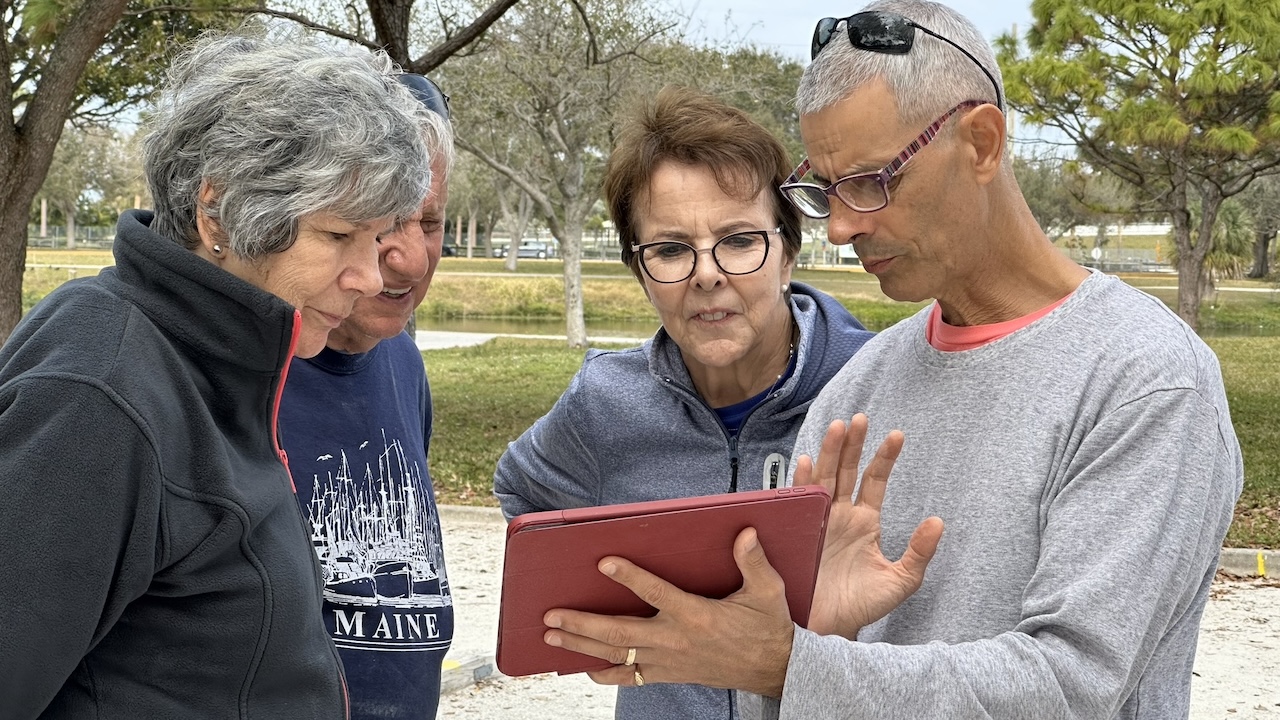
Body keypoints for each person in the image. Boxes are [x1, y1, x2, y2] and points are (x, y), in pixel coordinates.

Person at [534, 2, 1244, 719]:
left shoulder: (1146, 381)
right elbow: (792, 691)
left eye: (872, 181)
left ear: (982, 142)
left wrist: (796, 663)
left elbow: (1073, 686)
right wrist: (815, 637)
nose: (842, 227)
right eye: (828, 190)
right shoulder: (856, 391)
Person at [0, 33, 434, 718]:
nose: (371, 276)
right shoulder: (101, 389)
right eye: (337, 236)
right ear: (217, 210)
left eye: (377, 238)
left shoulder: (223, 362)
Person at [493, 86, 875, 719]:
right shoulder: (605, 405)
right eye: (670, 249)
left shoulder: (873, 385)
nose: (706, 274)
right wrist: (612, 617)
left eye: (739, 239)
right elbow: (523, 494)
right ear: (640, 272)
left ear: (788, 253)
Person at [276, 73, 455, 720]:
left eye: (430, 222)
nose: (408, 259)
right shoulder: (231, 367)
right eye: (379, 223)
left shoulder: (402, 361)